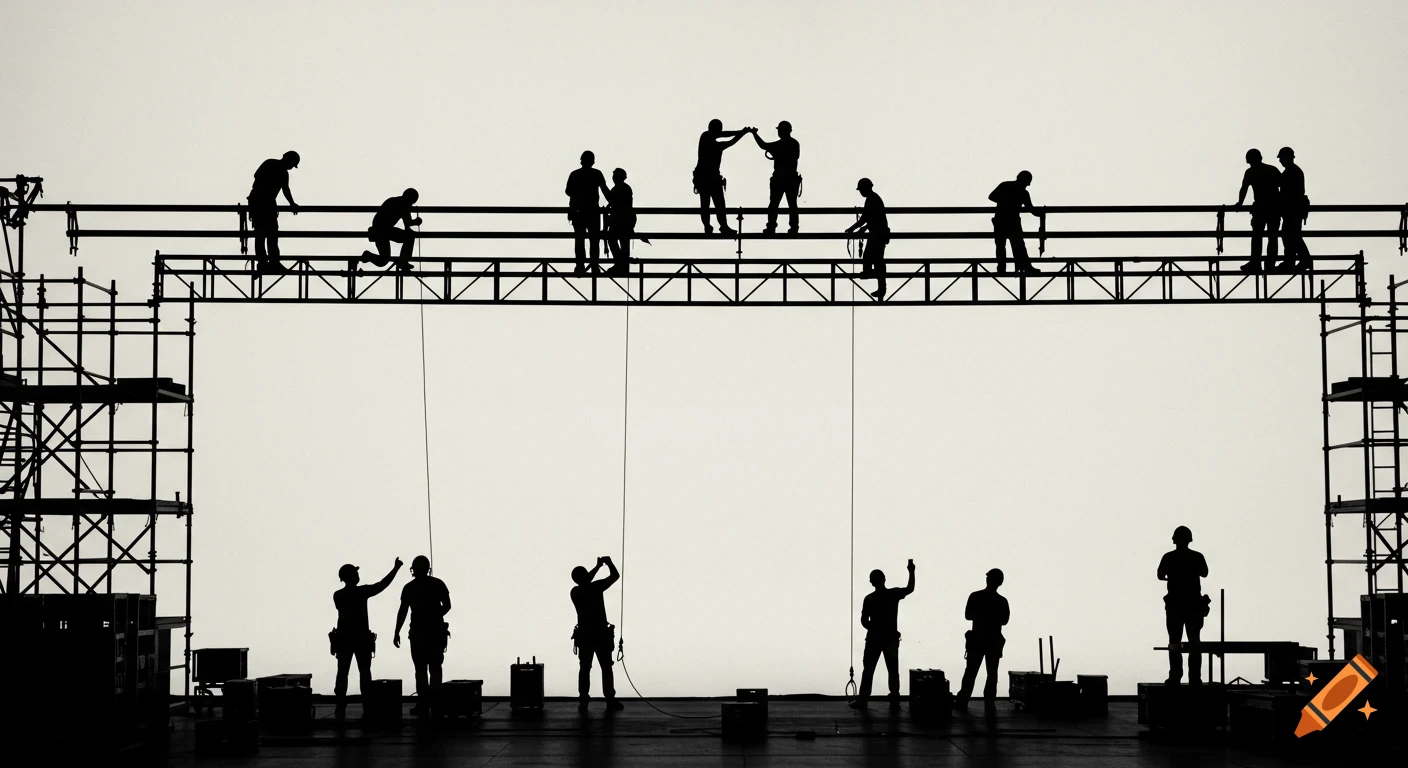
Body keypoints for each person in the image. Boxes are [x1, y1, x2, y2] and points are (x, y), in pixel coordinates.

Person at [331, 558, 402, 719]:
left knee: (342, 672)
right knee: (364, 672)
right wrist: (396, 568)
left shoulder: (338, 595)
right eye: (356, 572)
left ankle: (340, 704)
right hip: (361, 639)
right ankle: (367, 705)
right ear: (351, 575)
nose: (358, 574)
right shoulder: (361, 592)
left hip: (344, 639)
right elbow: (382, 584)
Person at [851, 559, 915, 710]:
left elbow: (863, 620)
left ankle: (863, 700)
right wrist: (911, 571)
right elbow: (910, 588)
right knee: (892, 670)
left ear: (871, 582)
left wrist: (873, 628)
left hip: (875, 639)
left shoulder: (870, 599)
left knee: (869, 670)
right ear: (883, 580)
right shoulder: (892, 594)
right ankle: (894, 700)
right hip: (888, 639)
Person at [394, 555, 451, 715]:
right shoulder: (438, 584)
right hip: (435, 632)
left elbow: (403, 611)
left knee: (420, 670)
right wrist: (434, 615)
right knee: (435, 669)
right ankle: (435, 703)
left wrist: (397, 631)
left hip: (418, 633)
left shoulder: (409, 587)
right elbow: (447, 606)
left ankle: (424, 703)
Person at [571, 555, 623, 713]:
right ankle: (608, 699)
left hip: (587, 636)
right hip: (599, 635)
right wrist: (606, 564)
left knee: (586, 668)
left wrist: (599, 566)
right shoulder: (592, 588)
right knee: (604, 668)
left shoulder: (576, 591)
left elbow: (589, 581)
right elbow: (614, 576)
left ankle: (585, 700)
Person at [1158, 526, 1210, 685]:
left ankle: (1175, 676)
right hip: (1193, 605)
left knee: (1175, 642)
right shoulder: (1197, 556)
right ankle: (1195, 678)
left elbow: (1160, 575)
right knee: (1194, 642)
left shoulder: (1168, 557)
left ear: (1174, 540)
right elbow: (1205, 573)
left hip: (1175, 605)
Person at [954, 568, 1009, 709]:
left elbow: (968, 615)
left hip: (980, 640)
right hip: (990, 641)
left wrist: (982, 614)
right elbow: (1003, 620)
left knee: (972, 672)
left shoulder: (976, 596)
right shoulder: (1001, 601)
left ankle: (963, 700)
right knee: (990, 674)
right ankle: (988, 703)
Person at [694, 119, 751, 234]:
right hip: (709, 178)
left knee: (706, 203)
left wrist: (741, 132)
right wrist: (742, 133)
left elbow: (724, 134)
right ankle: (719, 226)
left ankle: (710, 227)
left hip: (703, 177)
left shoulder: (705, 136)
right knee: (717, 204)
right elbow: (729, 141)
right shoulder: (713, 143)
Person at [247, 151, 300, 275]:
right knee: (263, 235)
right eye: (292, 164)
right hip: (259, 203)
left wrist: (292, 203)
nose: (291, 168)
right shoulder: (271, 164)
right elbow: (258, 176)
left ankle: (272, 263)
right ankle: (265, 264)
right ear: (287, 160)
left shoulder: (279, 170)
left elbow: (285, 189)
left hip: (266, 204)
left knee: (271, 235)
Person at [1232, 149, 1282, 273]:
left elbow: (1244, 189)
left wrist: (1239, 204)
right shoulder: (1272, 170)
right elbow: (1284, 187)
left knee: (1257, 236)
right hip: (1275, 207)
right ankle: (1270, 264)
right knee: (1272, 236)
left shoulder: (1250, 172)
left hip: (1260, 207)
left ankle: (1255, 262)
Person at [566, 151, 612, 275]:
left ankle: (580, 265)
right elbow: (605, 190)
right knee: (594, 240)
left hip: (578, 211)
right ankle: (594, 265)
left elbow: (568, 191)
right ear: (592, 161)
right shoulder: (597, 174)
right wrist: (614, 202)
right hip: (593, 211)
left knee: (579, 240)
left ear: (581, 160)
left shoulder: (574, 174)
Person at [750, 122, 801, 234]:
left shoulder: (781, 144)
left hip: (780, 179)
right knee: (792, 204)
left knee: (774, 204)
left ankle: (771, 227)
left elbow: (763, 145)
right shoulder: (794, 143)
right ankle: (794, 227)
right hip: (792, 179)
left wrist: (754, 134)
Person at [988, 171, 1041, 275]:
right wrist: (1040, 213)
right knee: (1018, 245)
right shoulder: (1023, 192)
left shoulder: (1006, 185)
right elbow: (1031, 209)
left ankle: (1002, 269)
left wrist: (1004, 201)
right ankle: (1024, 267)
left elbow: (992, 197)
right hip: (1011, 222)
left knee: (1002, 245)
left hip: (1001, 220)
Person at [845, 178, 889, 299]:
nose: (860, 192)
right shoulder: (873, 199)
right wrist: (863, 228)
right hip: (878, 233)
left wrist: (852, 229)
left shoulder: (872, 200)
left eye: (861, 190)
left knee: (872, 258)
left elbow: (866, 218)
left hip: (878, 234)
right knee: (875, 259)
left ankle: (873, 278)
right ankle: (879, 286)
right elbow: (872, 218)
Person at [359, 188, 422, 272]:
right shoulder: (403, 205)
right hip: (384, 230)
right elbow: (408, 223)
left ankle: (368, 256)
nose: (411, 205)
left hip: (381, 230)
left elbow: (407, 224)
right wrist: (416, 221)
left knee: (383, 261)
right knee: (409, 237)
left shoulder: (395, 201)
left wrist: (413, 223)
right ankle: (403, 261)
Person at [604, 168, 646, 277]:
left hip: (621, 220)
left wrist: (603, 187)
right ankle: (621, 264)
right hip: (626, 220)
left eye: (614, 176)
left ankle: (620, 264)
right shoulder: (624, 188)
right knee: (622, 242)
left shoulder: (620, 188)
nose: (613, 178)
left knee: (613, 239)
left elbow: (612, 200)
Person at [1276, 147, 1310, 272]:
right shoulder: (1292, 171)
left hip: (1293, 209)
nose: (1280, 161)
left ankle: (1301, 260)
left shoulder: (1292, 172)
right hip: (1293, 209)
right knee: (1290, 235)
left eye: (1281, 158)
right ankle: (1291, 261)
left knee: (1292, 235)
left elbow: (1289, 193)